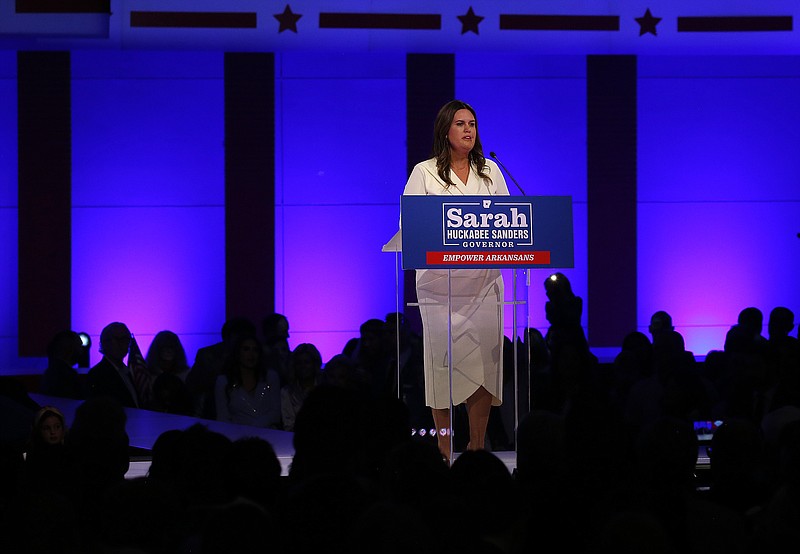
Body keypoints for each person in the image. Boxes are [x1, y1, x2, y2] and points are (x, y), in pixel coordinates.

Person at [402, 99, 509, 461]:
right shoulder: (425, 172)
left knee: (483, 365)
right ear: (445, 130)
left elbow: (510, 223)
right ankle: (443, 448)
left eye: (472, 124)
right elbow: (410, 227)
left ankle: (477, 446)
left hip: (483, 284)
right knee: (443, 366)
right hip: (439, 288)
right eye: (461, 124)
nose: (468, 130)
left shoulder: (490, 170)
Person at [215, 334, 281, 428]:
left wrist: (257, 426)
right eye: (246, 349)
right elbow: (222, 418)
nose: (251, 354)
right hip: (236, 436)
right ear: (238, 353)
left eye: (255, 350)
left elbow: (275, 413)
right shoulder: (224, 381)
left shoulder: (270, 377)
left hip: (268, 434)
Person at [85, 322, 139, 408]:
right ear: (105, 343)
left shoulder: (129, 372)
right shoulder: (97, 374)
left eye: (126, 339)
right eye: (118, 339)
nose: (122, 344)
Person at [133, 330, 190, 410]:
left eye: (172, 347)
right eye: (164, 347)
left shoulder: (186, 374)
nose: (168, 351)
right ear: (157, 350)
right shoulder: (146, 374)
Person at [40, 330, 84, 399]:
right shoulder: (68, 375)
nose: (81, 351)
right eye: (79, 346)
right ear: (70, 349)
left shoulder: (51, 372)